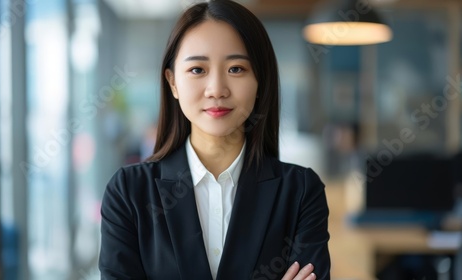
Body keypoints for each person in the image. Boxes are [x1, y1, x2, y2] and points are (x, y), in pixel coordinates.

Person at [99, 1, 331, 279]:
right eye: (198, 69)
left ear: (260, 80)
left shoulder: (301, 192)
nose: (217, 89)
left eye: (236, 69)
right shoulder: (129, 193)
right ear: (173, 82)